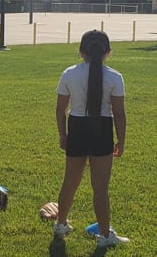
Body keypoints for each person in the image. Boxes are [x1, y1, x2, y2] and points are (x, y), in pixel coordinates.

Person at [54, 30, 129, 248]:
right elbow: (119, 114)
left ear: (81, 52)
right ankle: (104, 236)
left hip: (77, 128)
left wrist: (63, 135)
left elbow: (60, 110)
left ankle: (60, 224)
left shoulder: (69, 73)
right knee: (101, 187)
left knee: (70, 181)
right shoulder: (115, 77)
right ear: (108, 52)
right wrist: (121, 142)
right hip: (102, 130)